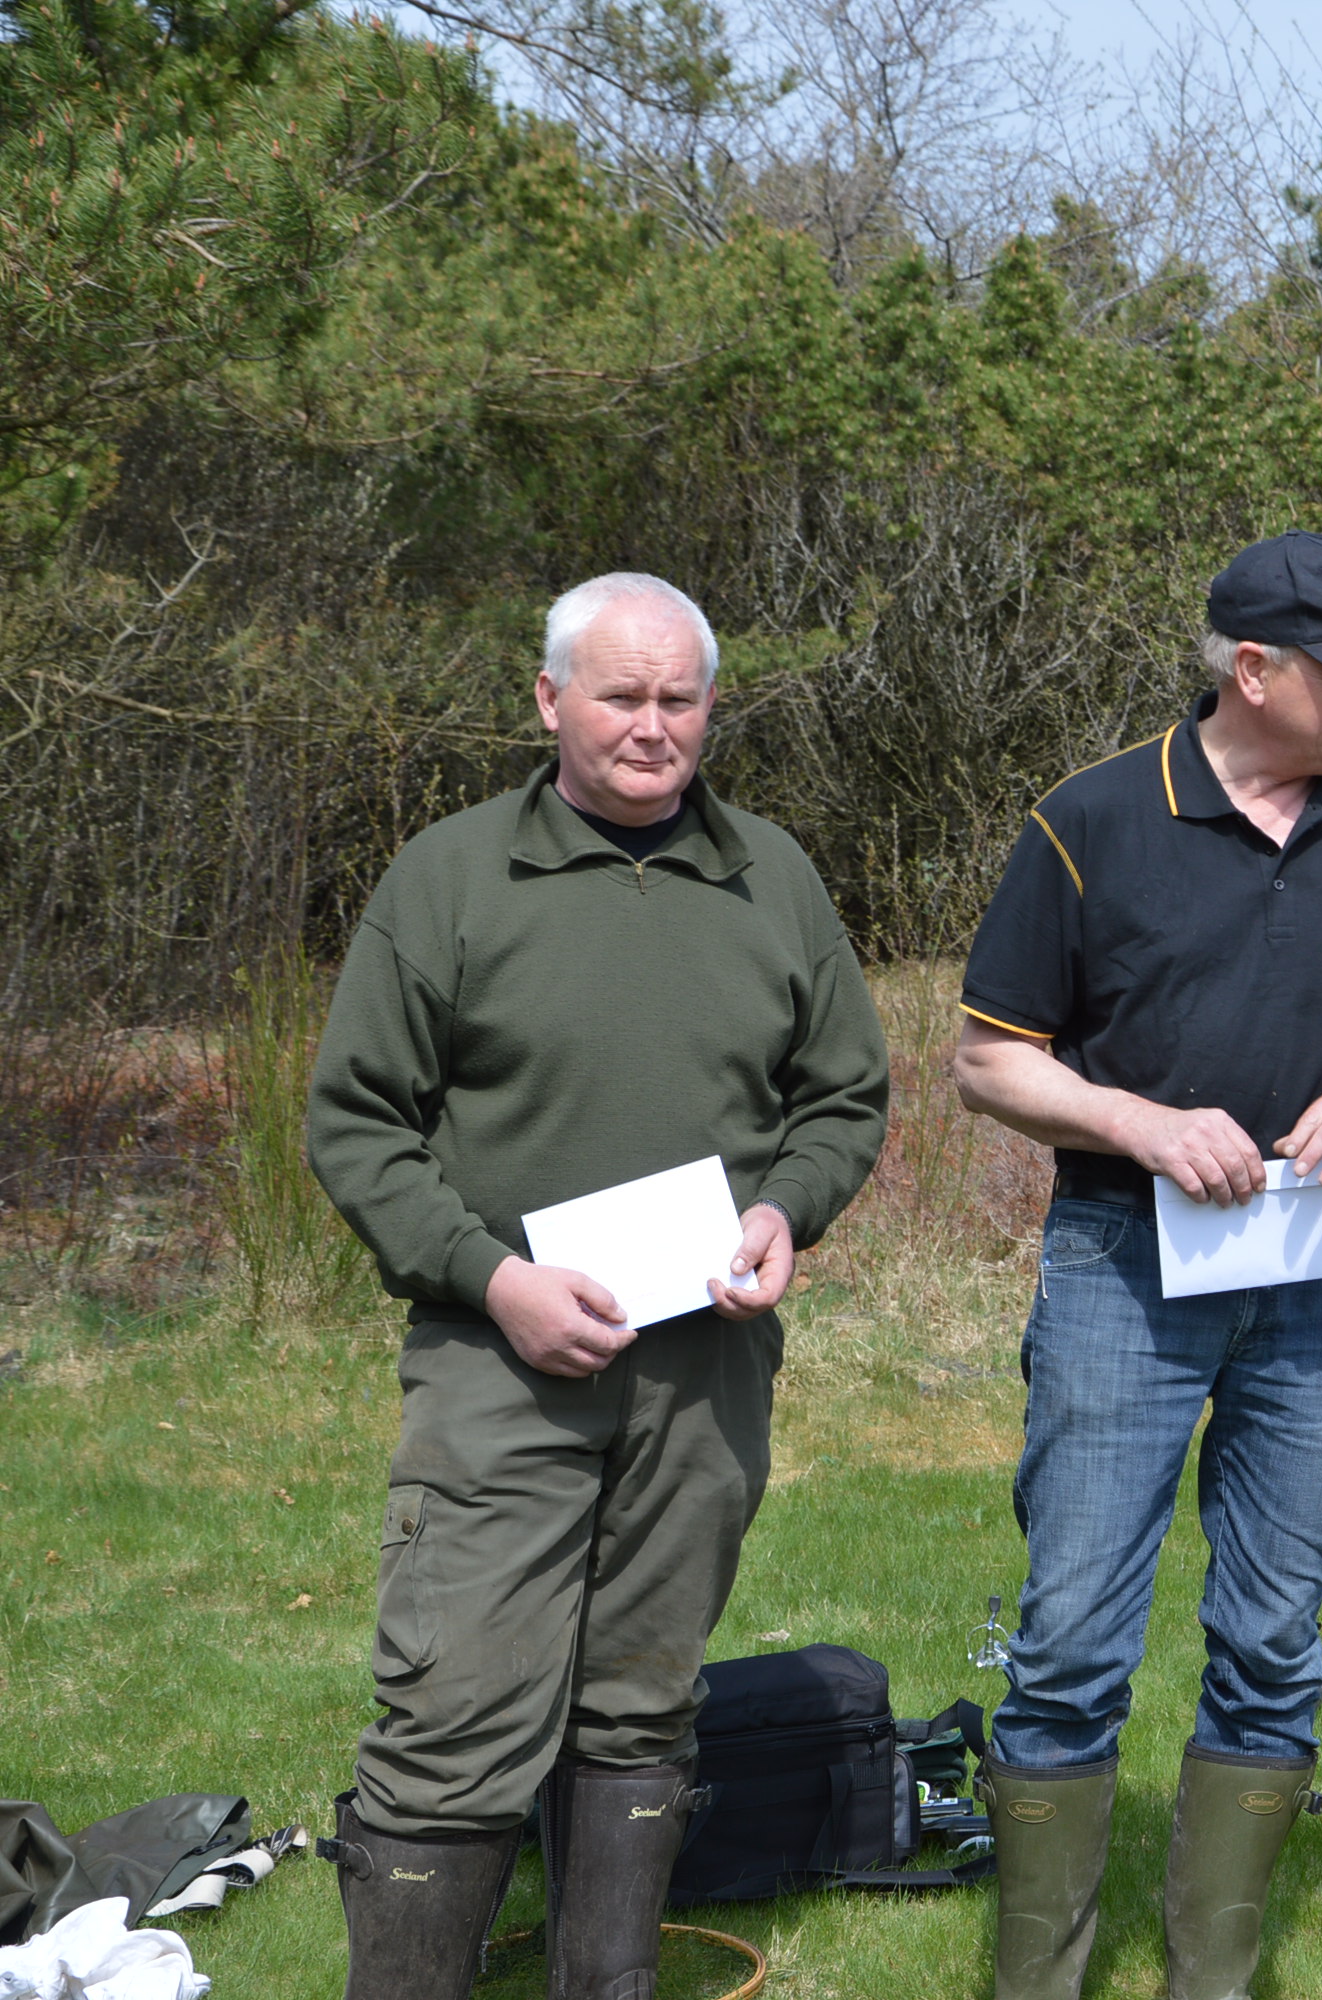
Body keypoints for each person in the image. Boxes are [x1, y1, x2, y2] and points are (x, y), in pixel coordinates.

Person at [305, 573, 890, 2000]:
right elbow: (357, 1123)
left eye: (679, 699)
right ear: (550, 699)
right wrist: (491, 1278)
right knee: (454, 1711)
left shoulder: (773, 877)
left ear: (711, 706)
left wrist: (785, 1211)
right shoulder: (449, 877)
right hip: (501, 1359)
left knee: (641, 1703)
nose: (651, 726)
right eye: (621, 696)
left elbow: (843, 1099)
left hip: (704, 1366)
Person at [949, 530, 1322, 2000]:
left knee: (1273, 1639)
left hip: (1320, 1274)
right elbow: (990, 1061)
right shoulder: (1093, 820)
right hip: (1122, 1268)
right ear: (1252, 669)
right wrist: (1137, 1122)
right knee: (1071, 1640)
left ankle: (1214, 1979)